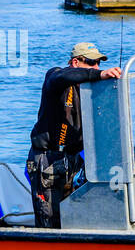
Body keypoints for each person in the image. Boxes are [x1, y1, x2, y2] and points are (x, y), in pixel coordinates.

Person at [27, 42, 122, 228]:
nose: (96, 67)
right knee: (50, 222)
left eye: (99, 64)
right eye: (91, 62)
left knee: (76, 218)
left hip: (74, 159)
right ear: (75, 62)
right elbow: (62, 75)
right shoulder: (56, 77)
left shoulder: (89, 90)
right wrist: (99, 75)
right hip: (48, 160)